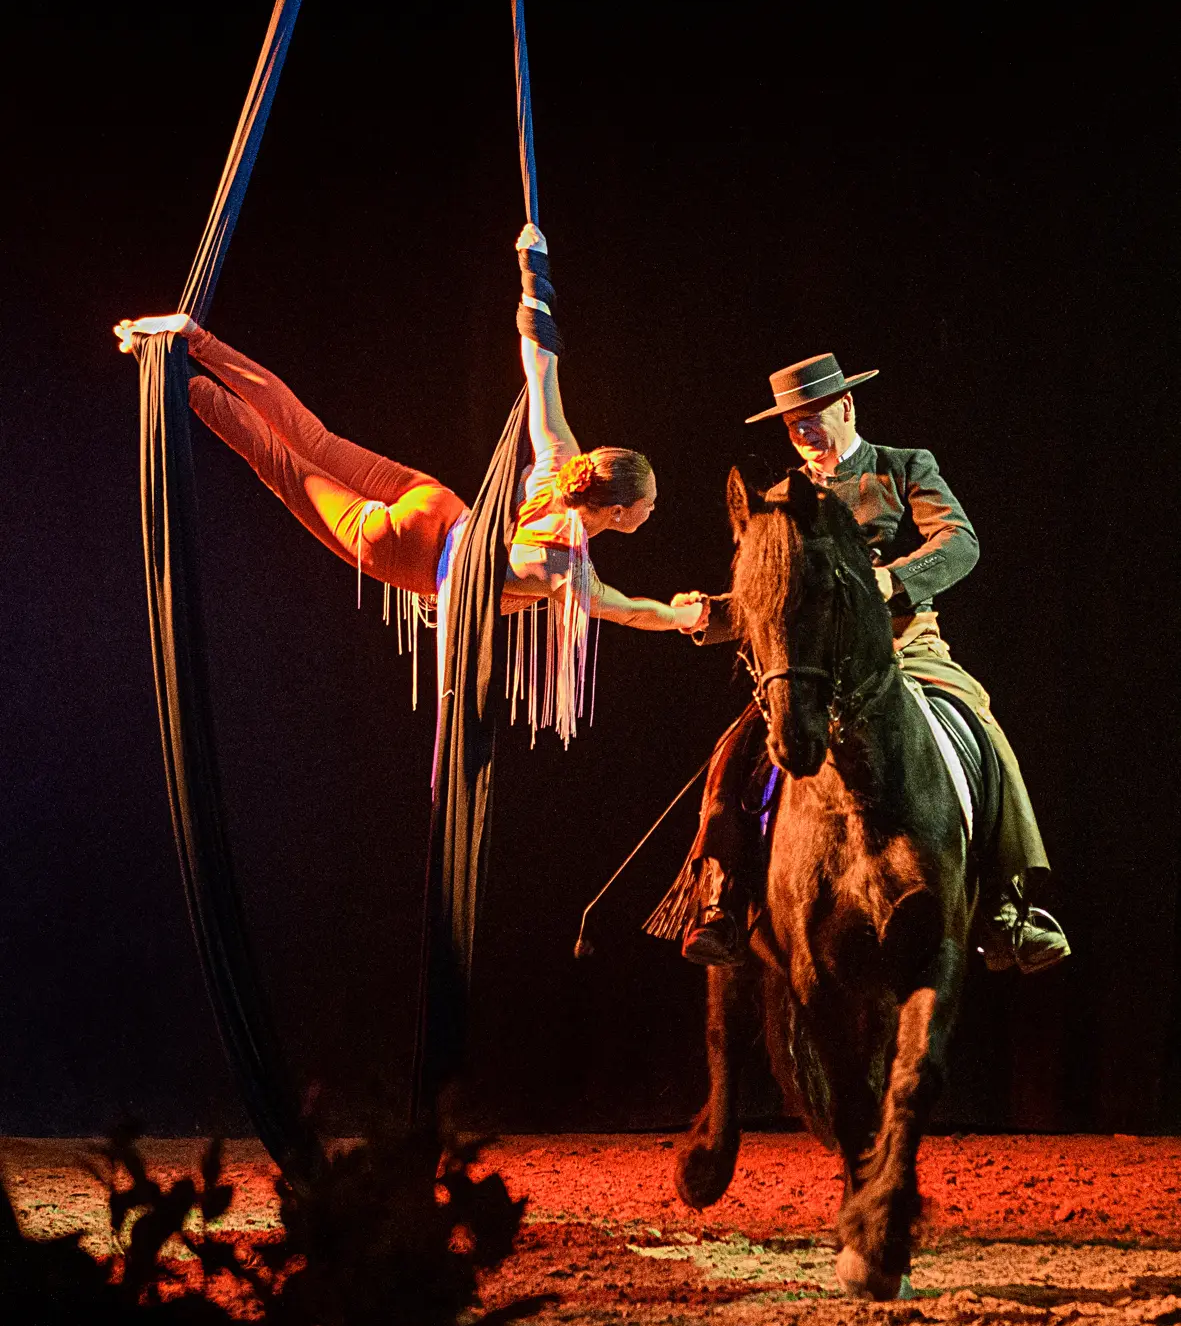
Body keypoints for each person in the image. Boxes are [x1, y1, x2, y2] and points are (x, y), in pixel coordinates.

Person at [115, 225, 702, 746]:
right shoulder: (568, 570)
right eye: (649, 505)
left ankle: (197, 340)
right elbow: (630, 613)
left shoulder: (560, 458)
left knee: (310, 437)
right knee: (280, 464)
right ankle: (176, 377)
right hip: (407, 548)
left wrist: (535, 272)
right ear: (618, 511)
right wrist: (681, 619)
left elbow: (541, 366)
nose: (653, 512)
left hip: (437, 503)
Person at [663, 352, 1068, 975]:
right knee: (736, 749)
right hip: (816, 663)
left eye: (812, 419)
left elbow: (960, 541)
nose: (803, 434)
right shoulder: (780, 499)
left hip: (904, 646)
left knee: (980, 725)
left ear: (846, 407)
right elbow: (773, 593)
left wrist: (893, 580)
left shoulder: (903, 467)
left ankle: (1006, 902)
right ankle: (721, 894)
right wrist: (708, 616)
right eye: (792, 426)